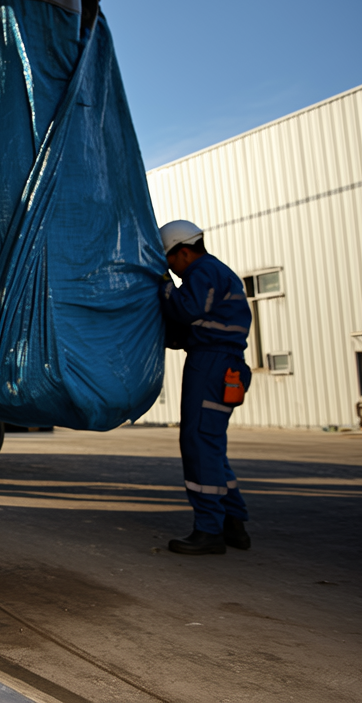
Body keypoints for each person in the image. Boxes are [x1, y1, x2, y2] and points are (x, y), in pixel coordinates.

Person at [158, 219, 254, 555]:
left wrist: (161, 283)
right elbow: (188, 326)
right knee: (211, 445)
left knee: (198, 443)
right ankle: (233, 524)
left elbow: (186, 309)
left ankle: (209, 529)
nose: (172, 269)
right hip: (223, 364)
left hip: (212, 363)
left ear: (183, 252)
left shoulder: (204, 272)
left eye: (170, 261)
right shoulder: (216, 273)